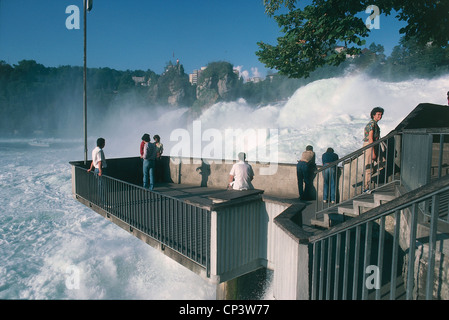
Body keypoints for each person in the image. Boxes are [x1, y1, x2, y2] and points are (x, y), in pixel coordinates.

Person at [362, 107, 384, 192]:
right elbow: (371, 138)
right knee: (369, 168)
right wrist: (373, 152)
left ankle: (367, 175)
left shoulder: (375, 124)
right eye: (378, 114)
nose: (380, 116)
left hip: (373, 145)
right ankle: (366, 188)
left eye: (381, 114)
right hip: (370, 145)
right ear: (373, 115)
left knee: (382, 163)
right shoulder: (372, 124)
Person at [87, 137, 107, 205]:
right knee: (102, 186)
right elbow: (99, 161)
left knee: (99, 185)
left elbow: (93, 161)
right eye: (104, 143)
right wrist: (100, 171)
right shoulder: (100, 151)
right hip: (99, 169)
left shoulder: (94, 150)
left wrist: (90, 168)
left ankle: (101, 201)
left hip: (95, 169)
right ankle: (103, 202)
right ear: (102, 144)